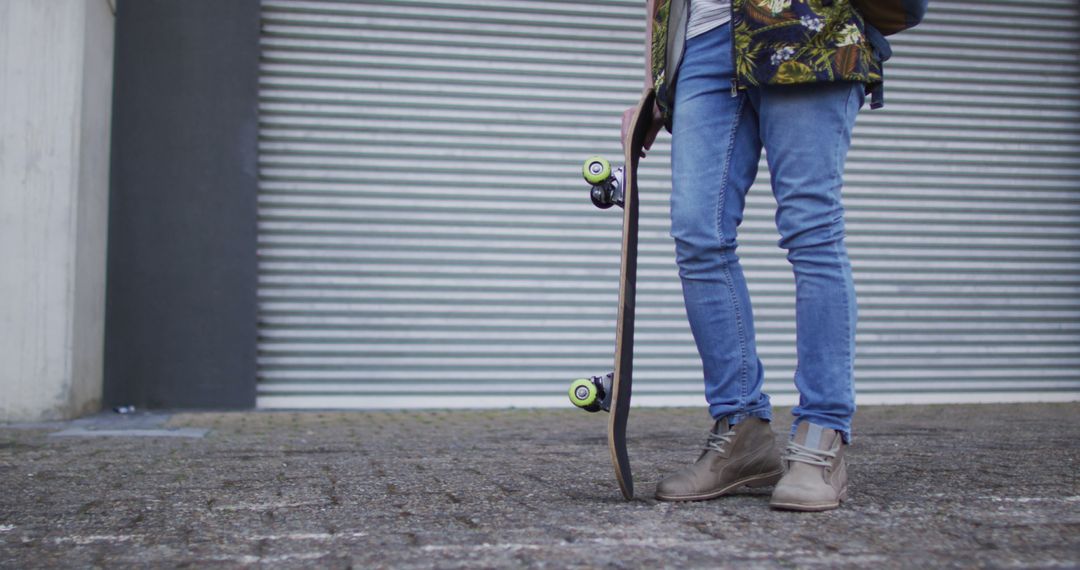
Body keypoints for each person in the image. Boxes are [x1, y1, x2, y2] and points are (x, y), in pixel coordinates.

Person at [626, 0, 889, 511]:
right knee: (698, 233)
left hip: (804, 21)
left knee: (811, 229)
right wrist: (659, 81)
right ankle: (741, 431)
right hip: (702, 43)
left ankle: (822, 437)